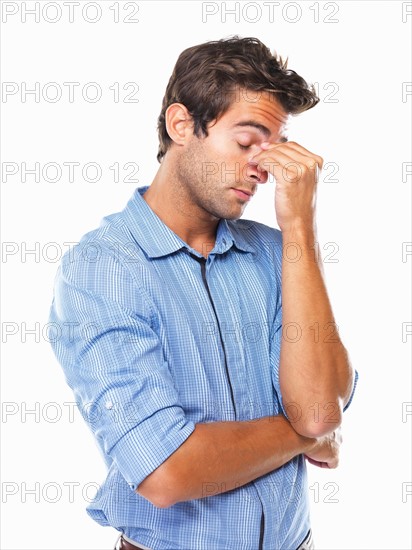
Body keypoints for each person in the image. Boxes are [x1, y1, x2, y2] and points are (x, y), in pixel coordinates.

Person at [49, 36, 358, 550]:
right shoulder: (102, 269)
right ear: (181, 125)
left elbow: (322, 409)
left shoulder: (279, 252)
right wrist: (304, 437)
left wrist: (300, 226)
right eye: (246, 142)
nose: (265, 168)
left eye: (275, 147)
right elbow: (166, 470)